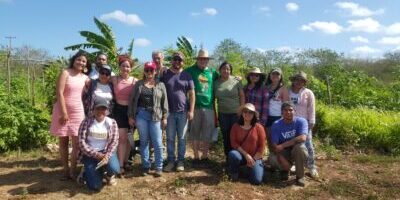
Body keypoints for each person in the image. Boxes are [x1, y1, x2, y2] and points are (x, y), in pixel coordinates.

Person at [49, 51, 90, 180]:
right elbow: (59, 93)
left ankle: (73, 170)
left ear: (86, 64)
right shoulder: (65, 73)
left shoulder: (85, 78)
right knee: (63, 141)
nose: (81, 62)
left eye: (83, 61)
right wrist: (64, 112)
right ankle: (65, 171)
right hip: (62, 110)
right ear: (74, 60)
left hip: (78, 111)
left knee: (77, 143)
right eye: (79, 60)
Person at [128, 61, 168, 177]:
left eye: (152, 70)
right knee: (144, 141)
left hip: (156, 116)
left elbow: (164, 103)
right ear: (144, 72)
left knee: (157, 142)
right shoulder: (138, 84)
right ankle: (146, 165)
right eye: (147, 70)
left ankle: (159, 166)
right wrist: (131, 116)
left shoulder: (160, 85)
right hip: (141, 115)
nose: (149, 72)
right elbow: (131, 101)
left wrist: (165, 117)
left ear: (155, 72)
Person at [161, 52, 195, 172]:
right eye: (175, 59)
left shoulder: (187, 75)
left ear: (183, 62)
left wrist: (191, 110)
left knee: (181, 138)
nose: (177, 62)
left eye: (179, 60)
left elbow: (192, 94)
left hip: (183, 112)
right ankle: (171, 161)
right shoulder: (165, 74)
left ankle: (180, 161)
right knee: (170, 138)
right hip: (168, 112)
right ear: (172, 60)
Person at [77, 98, 119, 191]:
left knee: (115, 169)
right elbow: (81, 142)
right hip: (90, 154)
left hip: (106, 153)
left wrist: (106, 156)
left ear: (107, 110)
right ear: (93, 109)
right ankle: (85, 172)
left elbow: (114, 142)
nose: (100, 111)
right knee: (95, 186)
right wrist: (96, 155)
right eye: (98, 108)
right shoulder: (86, 122)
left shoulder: (112, 122)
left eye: (103, 109)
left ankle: (108, 175)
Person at [184, 49, 219, 162]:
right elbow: (178, 74)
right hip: (195, 107)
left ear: (208, 60)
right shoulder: (190, 70)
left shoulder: (213, 72)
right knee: (195, 131)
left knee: (207, 132)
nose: (203, 61)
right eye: (201, 59)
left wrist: (236, 78)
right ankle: (195, 156)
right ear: (197, 59)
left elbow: (224, 77)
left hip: (209, 106)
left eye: (205, 59)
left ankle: (204, 155)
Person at [270, 101, 309, 186]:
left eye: (291, 110)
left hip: (296, 150)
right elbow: (275, 146)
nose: (288, 112)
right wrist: (281, 157)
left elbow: (303, 138)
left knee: (300, 148)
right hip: (284, 152)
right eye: (285, 110)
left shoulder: (301, 121)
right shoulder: (276, 125)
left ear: (295, 111)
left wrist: (283, 145)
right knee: (272, 159)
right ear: (282, 112)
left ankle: (300, 176)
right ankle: (285, 170)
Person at [289, 71, 318, 178]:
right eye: (297, 80)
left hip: (304, 123)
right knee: (294, 144)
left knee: (308, 144)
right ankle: (297, 164)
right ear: (293, 80)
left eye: (302, 80)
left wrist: (311, 122)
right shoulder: (288, 91)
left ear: (304, 82)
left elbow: (311, 108)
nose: (299, 82)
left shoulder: (308, 93)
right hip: (291, 122)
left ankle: (311, 166)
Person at [111, 55, 137, 174]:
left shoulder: (135, 81)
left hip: (131, 111)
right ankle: (120, 165)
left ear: (131, 68)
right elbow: (99, 79)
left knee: (128, 139)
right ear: (119, 67)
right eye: (123, 66)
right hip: (118, 110)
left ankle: (126, 162)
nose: (125, 68)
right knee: (121, 138)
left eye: (128, 66)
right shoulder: (114, 79)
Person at [228, 103, 265, 185]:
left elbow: (261, 147)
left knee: (256, 181)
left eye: (250, 112)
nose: (247, 114)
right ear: (242, 113)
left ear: (254, 115)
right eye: (245, 111)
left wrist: (253, 159)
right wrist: (246, 155)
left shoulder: (259, 127)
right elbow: (234, 143)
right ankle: (234, 174)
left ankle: (246, 170)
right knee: (233, 154)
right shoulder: (235, 126)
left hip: (255, 157)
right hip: (241, 155)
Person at [214, 61, 245, 157]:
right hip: (223, 114)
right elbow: (212, 100)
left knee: (237, 136)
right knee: (226, 136)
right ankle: (228, 158)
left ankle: (238, 158)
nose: (226, 71)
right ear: (220, 70)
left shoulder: (236, 81)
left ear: (231, 71)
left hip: (236, 114)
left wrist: (241, 110)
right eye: (224, 69)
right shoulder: (215, 83)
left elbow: (242, 96)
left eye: (228, 69)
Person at [265, 68, 289, 147]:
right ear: (270, 75)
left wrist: (284, 118)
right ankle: (272, 155)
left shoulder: (283, 88)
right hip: (267, 116)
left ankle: (280, 156)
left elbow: (286, 104)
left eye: (277, 74)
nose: (275, 76)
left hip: (279, 117)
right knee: (269, 137)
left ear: (281, 76)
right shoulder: (266, 87)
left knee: (279, 138)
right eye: (273, 74)